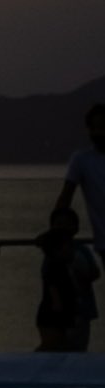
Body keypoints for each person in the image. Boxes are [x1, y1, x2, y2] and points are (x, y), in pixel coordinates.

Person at [35, 186, 99, 357]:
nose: (63, 228)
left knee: (78, 347)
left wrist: (83, 273)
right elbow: (49, 282)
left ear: (76, 228)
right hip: (59, 314)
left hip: (81, 311)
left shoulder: (82, 250)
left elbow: (95, 273)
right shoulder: (51, 258)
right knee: (55, 346)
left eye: (67, 224)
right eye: (59, 224)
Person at [68, 105, 105, 269]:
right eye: (94, 128)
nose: (98, 132)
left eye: (102, 127)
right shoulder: (81, 160)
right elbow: (66, 196)